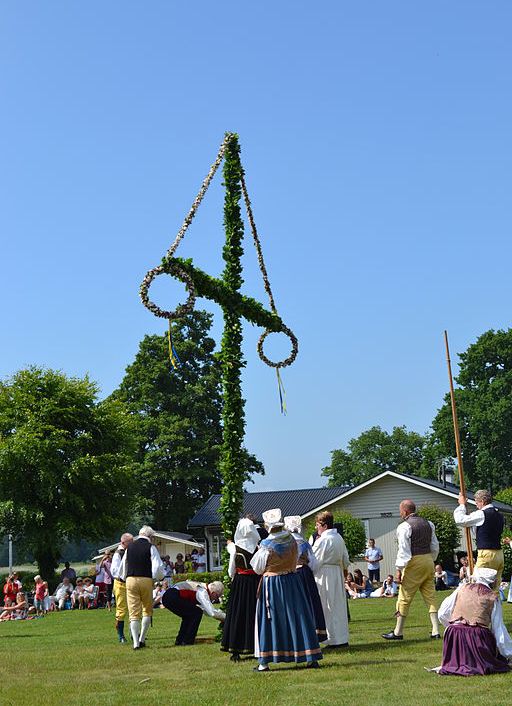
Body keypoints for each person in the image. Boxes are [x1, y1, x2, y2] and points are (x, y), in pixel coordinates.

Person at [251, 508, 322, 671]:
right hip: (292, 580)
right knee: (299, 616)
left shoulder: (266, 544)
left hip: (273, 584)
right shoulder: (292, 540)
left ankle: (265, 662)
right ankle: (309, 656)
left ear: (267, 526)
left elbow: (257, 567)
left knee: (270, 619)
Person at [382, 499, 441, 641]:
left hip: (414, 561)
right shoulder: (429, 524)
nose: (400, 513)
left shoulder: (404, 526)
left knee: (404, 596)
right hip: (428, 560)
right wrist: (431, 559)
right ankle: (435, 630)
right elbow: (434, 545)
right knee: (430, 595)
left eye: (400, 510)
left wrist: (399, 569)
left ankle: (398, 632)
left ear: (405, 511)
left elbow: (404, 550)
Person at [435, 567, 512, 675]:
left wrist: (453, 625)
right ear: (493, 581)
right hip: (477, 637)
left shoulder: (461, 589)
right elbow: (498, 629)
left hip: (454, 634)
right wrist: (509, 653)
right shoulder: (492, 597)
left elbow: (442, 613)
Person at [221, 517, 261, 660]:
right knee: (254, 613)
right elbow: (260, 567)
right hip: (254, 582)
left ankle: (236, 650)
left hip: (240, 582)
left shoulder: (235, 548)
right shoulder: (257, 546)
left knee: (238, 613)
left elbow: (231, 571)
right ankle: (256, 645)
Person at [119, 525, 165, 650]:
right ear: (150, 536)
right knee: (147, 610)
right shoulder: (151, 547)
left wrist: (124, 578)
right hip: (145, 579)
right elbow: (157, 567)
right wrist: (157, 578)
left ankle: (135, 644)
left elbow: (124, 565)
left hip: (130, 580)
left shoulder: (129, 547)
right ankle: (142, 639)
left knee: (133, 613)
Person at [284, 515, 327, 642]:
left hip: (290, 574)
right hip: (304, 573)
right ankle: (313, 631)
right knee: (310, 603)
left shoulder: (285, 543)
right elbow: (313, 563)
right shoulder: (304, 543)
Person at [312, 510, 350, 647]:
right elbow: (346, 560)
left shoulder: (323, 540)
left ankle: (332, 639)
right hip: (337, 572)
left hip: (325, 574)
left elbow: (314, 561)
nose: (316, 528)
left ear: (324, 525)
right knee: (338, 607)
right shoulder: (339, 538)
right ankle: (341, 637)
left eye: (317, 525)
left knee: (327, 606)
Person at [454, 490, 505, 588]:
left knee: (480, 588)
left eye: (477, 503)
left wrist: (461, 505)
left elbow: (460, 519)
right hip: (499, 555)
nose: (476, 505)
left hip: (486, 555)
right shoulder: (500, 516)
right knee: (494, 590)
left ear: (483, 501)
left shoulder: (482, 514)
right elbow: (483, 530)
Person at [162, 580, 225, 645]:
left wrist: (221, 615)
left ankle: (180, 640)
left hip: (168, 596)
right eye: (217, 597)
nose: (215, 599)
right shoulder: (203, 592)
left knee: (190, 615)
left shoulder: (202, 589)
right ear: (213, 593)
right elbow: (212, 613)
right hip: (172, 596)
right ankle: (188, 640)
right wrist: (226, 617)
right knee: (196, 613)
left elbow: (205, 610)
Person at [111, 532, 133, 643]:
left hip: (130, 583)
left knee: (133, 608)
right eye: (130, 542)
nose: (132, 544)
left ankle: (134, 633)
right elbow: (114, 571)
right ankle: (121, 635)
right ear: (123, 542)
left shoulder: (130, 552)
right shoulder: (118, 554)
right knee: (121, 610)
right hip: (120, 584)